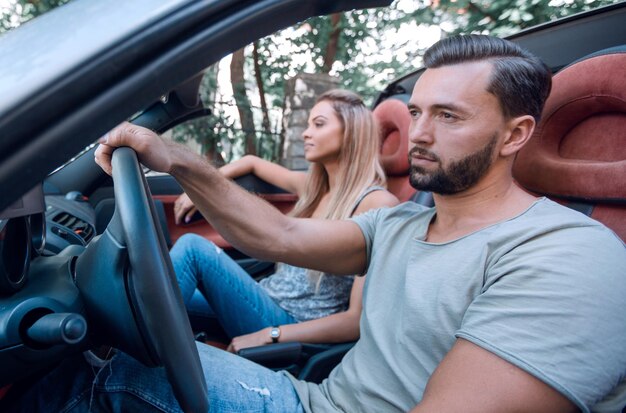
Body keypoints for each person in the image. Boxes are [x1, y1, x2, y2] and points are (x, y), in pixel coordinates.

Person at [6, 34, 626, 413]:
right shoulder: (405, 224)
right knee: (98, 355)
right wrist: (178, 159)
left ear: (516, 134)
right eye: (416, 113)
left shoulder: (567, 255)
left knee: (99, 380)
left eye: (450, 116)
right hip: (315, 396)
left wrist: (267, 340)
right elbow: (280, 237)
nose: (422, 134)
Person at [168, 89, 398, 351]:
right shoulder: (313, 188)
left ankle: (131, 347)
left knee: (194, 250)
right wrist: (197, 191)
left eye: (318, 124)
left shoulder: (377, 204)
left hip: (290, 323)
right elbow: (251, 162)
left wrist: (272, 334)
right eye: (309, 124)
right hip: (263, 299)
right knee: (170, 296)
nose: (305, 133)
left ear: (352, 133)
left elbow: (355, 320)